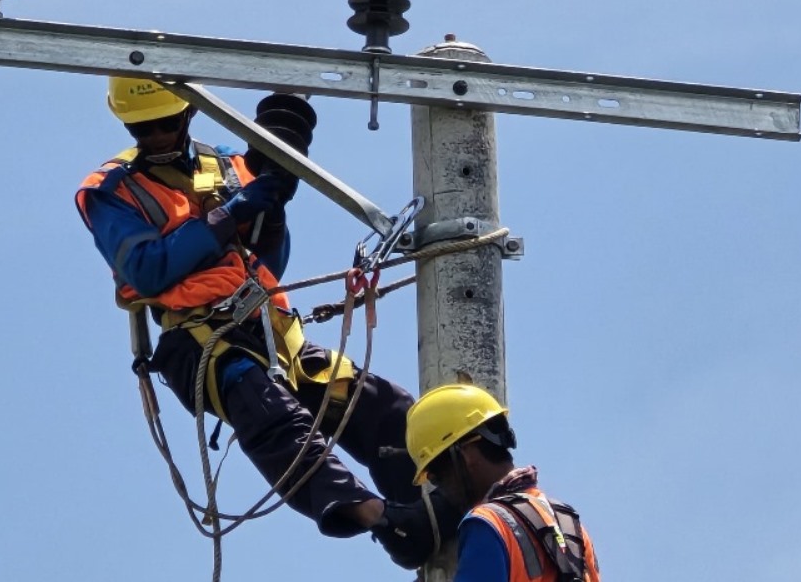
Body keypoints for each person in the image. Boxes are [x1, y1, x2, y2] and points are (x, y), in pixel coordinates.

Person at [76, 77, 456, 569]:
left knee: (377, 404)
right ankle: (381, 519)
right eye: (143, 128)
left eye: (166, 124)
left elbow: (269, 262)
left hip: (270, 328)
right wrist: (231, 214)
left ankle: (438, 501)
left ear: (188, 114)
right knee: (272, 415)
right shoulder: (111, 189)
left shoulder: (229, 166)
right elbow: (149, 269)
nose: (157, 136)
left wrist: (269, 213)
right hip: (199, 341)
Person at [406, 384, 602, 581]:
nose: (441, 489)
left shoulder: (488, 522)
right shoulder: (570, 526)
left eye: (437, 476)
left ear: (466, 455)